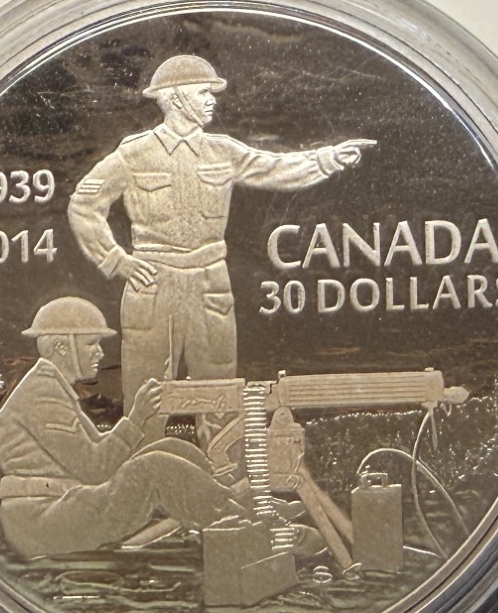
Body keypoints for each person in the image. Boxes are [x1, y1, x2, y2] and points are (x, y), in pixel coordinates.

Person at [66, 54, 375, 409]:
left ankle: (222, 449)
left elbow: (275, 168)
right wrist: (117, 260)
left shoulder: (222, 151)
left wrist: (329, 158)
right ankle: (144, 448)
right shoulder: (135, 153)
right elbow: (84, 204)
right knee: (146, 396)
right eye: (203, 92)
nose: (212, 99)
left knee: (221, 394)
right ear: (176, 97)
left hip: (210, 281)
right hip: (153, 283)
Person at [0, 297, 249, 560]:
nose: (100, 353)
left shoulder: (51, 388)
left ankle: (220, 504)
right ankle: (234, 518)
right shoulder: (42, 395)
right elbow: (95, 468)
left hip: (59, 506)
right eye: (91, 343)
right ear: (61, 347)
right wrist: (137, 417)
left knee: (173, 448)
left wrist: (140, 424)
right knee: (155, 467)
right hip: (41, 522)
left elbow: (99, 453)